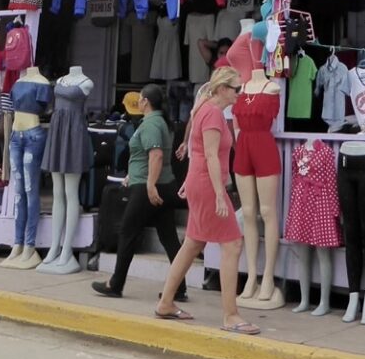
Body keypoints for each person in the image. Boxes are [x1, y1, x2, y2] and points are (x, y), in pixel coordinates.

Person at [154, 66, 257, 334]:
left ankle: (166, 302)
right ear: (223, 89)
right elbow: (210, 155)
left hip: (199, 183)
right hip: (208, 185)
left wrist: (191, 181)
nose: (239, 93)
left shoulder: (204, 105)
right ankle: (230, 315)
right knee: (232, 244)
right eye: (236, 89)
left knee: (191, 244)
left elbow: (195, 148)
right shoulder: (212, 113)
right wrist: (221, 194)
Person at [93, 84, 185, 299]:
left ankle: (115, 283)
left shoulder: (152, 124)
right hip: (156, 183)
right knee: (169, 238)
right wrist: (133, 175)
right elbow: (145, 158)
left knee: (127, 232)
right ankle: (179, 287)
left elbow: (156, 156)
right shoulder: (159, 121)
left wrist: (149, 184)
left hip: (148, 187)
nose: (139, 101)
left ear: (145, 102)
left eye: (141, 98)